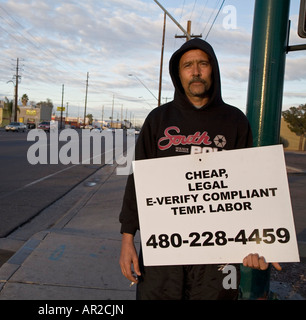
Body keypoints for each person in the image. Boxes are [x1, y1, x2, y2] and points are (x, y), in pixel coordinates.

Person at [119, 38, 281, 300]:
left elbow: (250, 189)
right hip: (163, 249)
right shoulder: (158, 119)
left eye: (202, 64)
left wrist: (259, 241)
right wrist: (128, 239)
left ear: (212, 69)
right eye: (187, 65)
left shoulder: (235, 120)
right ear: (178, 74)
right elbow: (138, 181)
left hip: (218, 254)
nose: (195, 71)